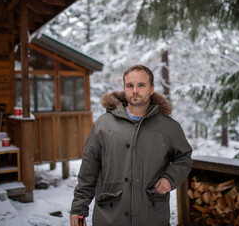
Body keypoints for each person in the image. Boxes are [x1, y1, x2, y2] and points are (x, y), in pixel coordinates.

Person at [70, 65, 192, 226]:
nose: (135, 90)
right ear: (124, 89)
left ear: (151, 89)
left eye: (141, 85)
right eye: (130, 85)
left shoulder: (168, 127)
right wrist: (79, 208)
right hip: (110, 217)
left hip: (152, 217)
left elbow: (184, 157)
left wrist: (169, 178)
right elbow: (88, 169)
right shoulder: (104, 125)